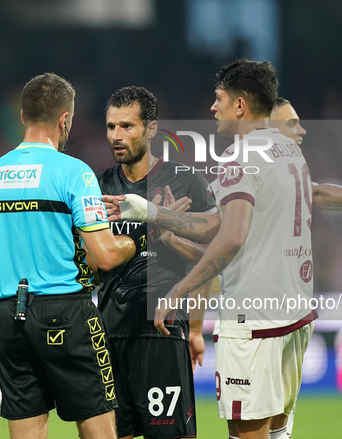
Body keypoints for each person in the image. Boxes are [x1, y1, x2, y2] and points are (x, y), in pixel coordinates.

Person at [111, 60, 342, 439]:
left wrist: (177, 290)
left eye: (219, 99)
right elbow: (224, 223)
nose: (213, 108)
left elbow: (227, 235)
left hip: (253, 321)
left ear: (240, 105)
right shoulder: (288, 150)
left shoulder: (240, 158)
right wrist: (153, 212)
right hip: (295, 315)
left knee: (247, 433)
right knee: (279, 431)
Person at [0, 73, 147, 439]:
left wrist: (8, 233)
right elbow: (105, 257)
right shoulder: (74, 173)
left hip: (10, 317)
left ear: (23, 116)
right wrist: (136, 241)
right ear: (65, 120)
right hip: (67, 312)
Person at [94, 86, 218, 439]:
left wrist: (194, 329)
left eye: (127, 126)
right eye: (111, 127)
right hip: (109, 334)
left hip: (161, 332)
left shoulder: (187, 181)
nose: (116, 136)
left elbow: (210, 258)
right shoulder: (97, 185)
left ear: (151, 129)